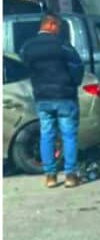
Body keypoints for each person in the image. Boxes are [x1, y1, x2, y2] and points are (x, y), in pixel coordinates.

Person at [18, 13, 85, 188]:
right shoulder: (62, 45)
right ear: (51, 24)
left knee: (46, 135)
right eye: (59, 27)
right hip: (64, 96)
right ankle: (70, 175)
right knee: (69, 135)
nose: (59, 31)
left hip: (42, 98)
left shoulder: (28, 47)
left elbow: (25, 66)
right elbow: (77, 66)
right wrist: (74, 83)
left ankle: (50, 176)